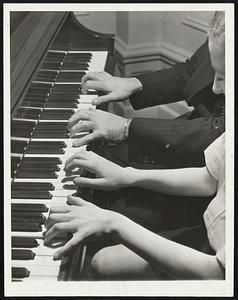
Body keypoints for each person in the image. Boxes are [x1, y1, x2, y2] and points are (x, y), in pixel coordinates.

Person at [44, 11, 226, 280]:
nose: (214, 88)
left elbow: (218, 273)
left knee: (102, 258)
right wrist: (128, 176)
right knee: (103, 172)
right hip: (214, 212)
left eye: (225, 76)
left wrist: (116, 224)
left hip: (214, 252)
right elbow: (211, 176)